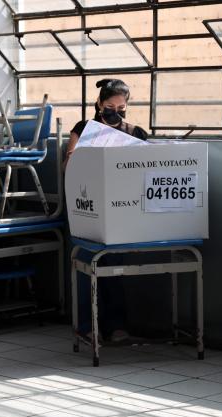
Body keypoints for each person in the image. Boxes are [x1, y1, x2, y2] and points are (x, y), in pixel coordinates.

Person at [66, 78, 149, 343]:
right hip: (88, 206)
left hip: (122, 209)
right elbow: (69, 167)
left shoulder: (135, 132)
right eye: (110, 105)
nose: (116, 110)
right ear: (99, 104)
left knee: (114, 268)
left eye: (121, 106)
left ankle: (116, 326)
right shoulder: (84, 129)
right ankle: (87, 326)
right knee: (88, 264)